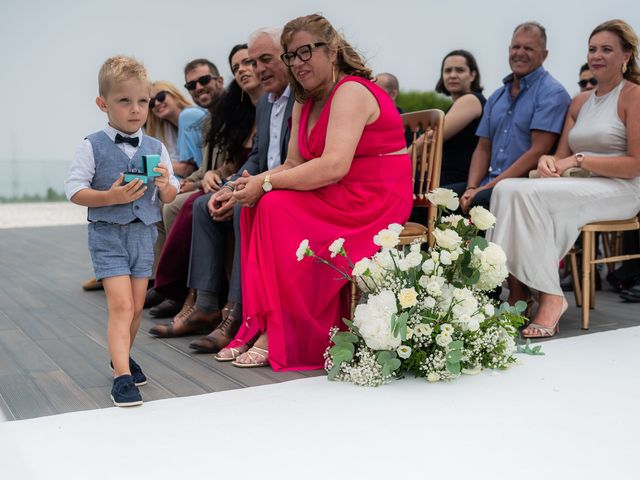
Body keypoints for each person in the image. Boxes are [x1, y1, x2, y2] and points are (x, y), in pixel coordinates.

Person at [217, 14, 413, 370]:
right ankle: (265, 324)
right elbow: (292, 164)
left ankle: (284, 333)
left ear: (333, 50)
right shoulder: (306, 99)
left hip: (372, 199)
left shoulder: (351, 91)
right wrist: (244, 185)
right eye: (291, 55)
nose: (298, 62)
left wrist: (265, 183)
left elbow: (334, 165)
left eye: (306, 51)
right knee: (254, 204)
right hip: (338, 190)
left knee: (275, 204)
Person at [487, 19, 640, 337]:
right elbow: (560, 156)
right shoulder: (580, 101)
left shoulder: (633, 97)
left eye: (607, 49)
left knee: (530, 195)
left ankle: (551, 296)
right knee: (506, 189)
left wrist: (579, 159)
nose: (597, 55)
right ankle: (517, 290)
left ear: (626, 55)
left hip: (621, 189)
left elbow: (635, 165)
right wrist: (547, 161)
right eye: (593, 49)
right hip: (579, 183)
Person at [149, 28, 294, 350]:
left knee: (238, 205)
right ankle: (204, 304)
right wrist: (229, 184)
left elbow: (290, 160)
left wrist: (241, 184)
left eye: (261, 61)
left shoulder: (297, 99)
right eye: (248, 63)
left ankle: (237, 312)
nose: (253, 69)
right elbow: (256, 157)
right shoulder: (265, 105)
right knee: (204, 205)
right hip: (258, 180)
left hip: (285, 186)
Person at [64, 56, 179, 406]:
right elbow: (74, 190)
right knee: (121, 305)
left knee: (137, 306)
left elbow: (172, 189)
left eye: (142, 101)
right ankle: (121, 376)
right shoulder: (91, 145)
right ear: (103, 104)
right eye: (124, 101)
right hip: (108, 236)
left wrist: (164, 184)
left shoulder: (156, 148)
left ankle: (123, 356)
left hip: (143, 236)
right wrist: (109, 196)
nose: (135, 110)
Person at [449, 22, 571, 213]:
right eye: (516, 47)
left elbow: (538, 151)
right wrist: (471, 188)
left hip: (524, 185)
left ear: (545, 54)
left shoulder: (552, 93)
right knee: (442, 198)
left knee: (480, 201)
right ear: (509, 49)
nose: (520, 53)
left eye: (529, 48)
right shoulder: (497, 96)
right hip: (489, 183)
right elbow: (483, 148)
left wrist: (485, 189)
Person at [145, 59, 225, 317]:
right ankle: (161, 281)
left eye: (160, 96)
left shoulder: (191, 116)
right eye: (192, 84)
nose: (156, 103)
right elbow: (199, 166)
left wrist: (174, 177)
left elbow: (192, 164)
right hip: (205, 178)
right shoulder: (184, 123)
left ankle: (171, 285)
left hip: (214, 181)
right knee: (161, 200)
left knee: (169, 204)